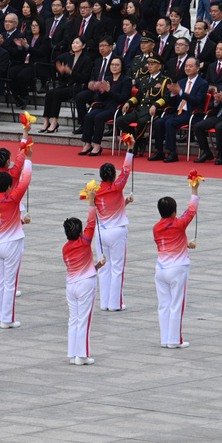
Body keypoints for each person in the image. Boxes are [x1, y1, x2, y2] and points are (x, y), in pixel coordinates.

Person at [153, 178, 200, 348]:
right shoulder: (179, 224)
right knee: (177, 304)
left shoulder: (156, 228)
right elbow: (192, 210)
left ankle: (165, 339)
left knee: (164, 305)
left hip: (161, 269)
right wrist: (194, 190)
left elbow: (167, 242)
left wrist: (185, 244)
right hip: (178, 268)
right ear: (174, 212)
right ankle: (174, 340)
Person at [0, 157, 32, 329]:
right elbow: (26, 179)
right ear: (8, 187)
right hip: (12, 243)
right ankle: (7, 319)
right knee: (10, 282)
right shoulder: (12, 199)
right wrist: (28, 159)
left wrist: (19, 221)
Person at [62, 196, 104, 366]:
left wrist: (96, 266)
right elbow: (91, 223)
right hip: (86, 284)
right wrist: (92, 203)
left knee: (74, 319)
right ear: (80, 233)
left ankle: (73, 354)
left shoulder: (65, 249)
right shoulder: (85, 242)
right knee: (84, 320)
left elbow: (80, 266)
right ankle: (82, 355)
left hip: (71, 285)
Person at [93, 152, 133, 311]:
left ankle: (104, 303)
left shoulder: (94, 191)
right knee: (117, 269)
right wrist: (130, 150)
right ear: (114, 176)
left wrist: (124, 203)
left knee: (103, 267)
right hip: (117, 232)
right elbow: (126, 170)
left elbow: (104, 208)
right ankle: (115, 304)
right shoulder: (117, 187)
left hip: (101, 232)